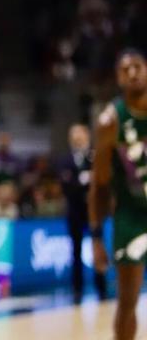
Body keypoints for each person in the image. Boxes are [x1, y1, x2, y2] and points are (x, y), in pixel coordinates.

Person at [90, 48, 147, 340]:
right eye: (126, 69)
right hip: (131, 216)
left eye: (137, 66)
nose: (133, 72)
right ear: (117, 77)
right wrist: (97, 236)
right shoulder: (110, 121)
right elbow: (99, 185)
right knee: (128, 301)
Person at [59, 122, 107, 302]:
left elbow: (102, 181)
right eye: (74, 136)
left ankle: (101, 288)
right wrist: (84, 180)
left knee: (98, 246)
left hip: (94, 212)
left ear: (87, 136)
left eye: (80, 135)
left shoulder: (95, 157)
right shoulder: (65, 160)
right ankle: (77, 290)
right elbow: (67, 186)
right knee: (75, 252)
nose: (77, 139)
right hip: (75, 212)